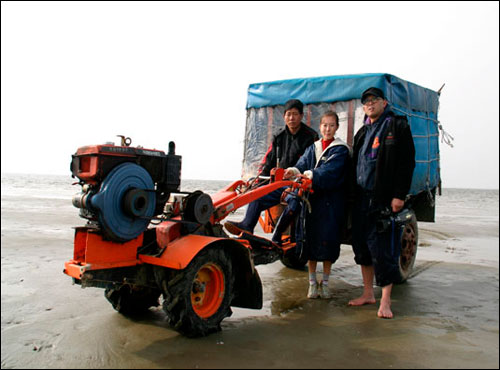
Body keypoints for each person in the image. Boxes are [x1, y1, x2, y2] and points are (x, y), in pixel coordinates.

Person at [348, 87, 416, 318]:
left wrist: (399, 195)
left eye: (374, 100)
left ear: (384, 103)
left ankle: (385, 301)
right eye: (366, 101)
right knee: (362, 247)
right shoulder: (362, 131)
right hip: (360, 199)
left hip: (383, 199)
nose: (370, 104)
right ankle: (368, 293)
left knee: (383, 249)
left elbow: (407, 163)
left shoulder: (396, 126)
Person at [278, 111, 350, 299]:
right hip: (312, 203)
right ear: (320, 127)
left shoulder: (340, 150)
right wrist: (293, 171)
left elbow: (330, 171)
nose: (327, 129)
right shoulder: (314, 147)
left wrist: (310, 175)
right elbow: (301, 164)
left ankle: (325, 283)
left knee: (328, 244)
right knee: (309, 242)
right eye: (324, 125)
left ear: (336, 127)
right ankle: (312, 284)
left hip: (330, 205)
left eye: (331, 125)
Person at [224, 99, 318, 236]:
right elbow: (269, 162)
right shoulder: (279, 137)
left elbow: (312, 163)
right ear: (284, 116)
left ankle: (278, 236)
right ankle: (247, 226)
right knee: (256, 195)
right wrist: (257, 182)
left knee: (294, 202)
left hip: (298, 185)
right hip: (279, 184)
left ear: (301, 116)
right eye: (288, 114)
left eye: (295, 114)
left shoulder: (311, 137)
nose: (291, 118)